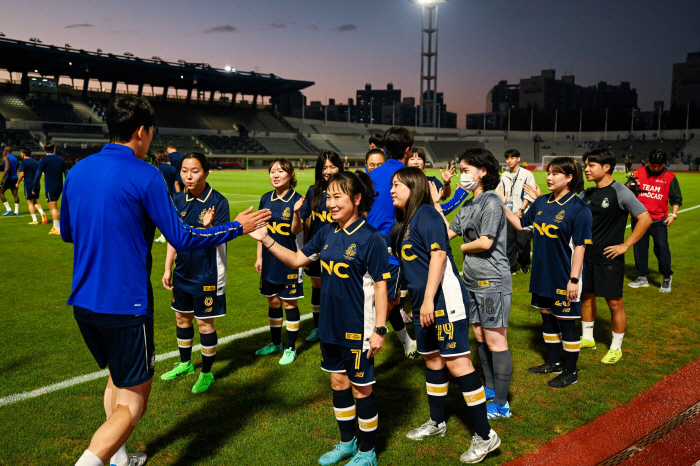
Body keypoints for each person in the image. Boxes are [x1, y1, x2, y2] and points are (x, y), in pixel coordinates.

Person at [61, 95, 270, 466]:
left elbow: (67, 232)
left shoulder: (77, 170)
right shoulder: (145, 174)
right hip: (125, 304)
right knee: (134, 401)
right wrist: (237, 226)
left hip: (83, 300)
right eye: (151, 132)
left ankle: (121, 459)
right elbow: (184, 237)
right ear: (142, 131)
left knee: (116, 379)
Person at [250, 171, 388, 466]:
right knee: (338, 383)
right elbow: (298, 260)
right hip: (329, 325)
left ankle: (368, 451)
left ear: (357, 198)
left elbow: (380, 286)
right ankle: (346, 443)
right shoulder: (327, 233)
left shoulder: (371, 238)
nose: (331, 203)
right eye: (328, 197)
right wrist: (268, 240)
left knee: (361, 388)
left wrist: (379, 329)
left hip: (358, 329)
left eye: (338, 196)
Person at [390, 167, 500, 463]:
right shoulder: (403, 224)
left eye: (398, 185)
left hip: (443, 300)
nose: (392, 190)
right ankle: (437, 423)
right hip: (423, 303)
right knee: (433, 359)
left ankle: (486, 436)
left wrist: (427, 300)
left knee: (458, 363)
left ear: (414, 187)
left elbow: (439, 255)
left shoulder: (426, 215)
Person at [504, 157, 592, 388]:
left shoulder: (579, 209)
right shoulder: (542, 202)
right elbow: (521, 224)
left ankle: (571, 372)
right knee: (547, 316)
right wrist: (501, 204)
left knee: (566, 322)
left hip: (565, 275)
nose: (549, 176)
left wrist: (573, 279)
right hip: (542, 274)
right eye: (549, 172)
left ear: (570, 178)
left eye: (555, 173)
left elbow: (580, 247)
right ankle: (554, 363)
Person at [438, 149, 513, 419]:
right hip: (471, 281)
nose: (462, 175)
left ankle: (502, 404)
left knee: (496, 340)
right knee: (480, 336)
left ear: (483, 171)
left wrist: (464, 249)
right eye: (461, 170)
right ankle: (491, 388)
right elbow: (447, 233)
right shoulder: (470, 204)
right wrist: (434, 206)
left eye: (467, 170)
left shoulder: (491, 201)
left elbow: (485, 242)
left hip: (492, 280)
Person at [161, 152, 230, 393]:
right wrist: (167, 267)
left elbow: (220, 239)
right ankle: (185, 363)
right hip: (182, 271)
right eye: (184, 171)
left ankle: (207, 373)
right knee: (182, 318)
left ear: (206, 172)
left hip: (207, 273)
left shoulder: (218, 202)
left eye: (195, 171)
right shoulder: (177, 200)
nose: (189, 176)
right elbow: (173, 238)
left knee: (204, 323)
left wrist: (208, 227)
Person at [579, 148, 651, 364]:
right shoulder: (587, 193)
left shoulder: (620, 191)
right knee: (587, 297)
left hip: (610, 259)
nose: (586, 170)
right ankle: (588, 338)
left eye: (591, 166)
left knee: (614, 303)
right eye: (585, 166)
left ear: (606, 167)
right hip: (586, 256)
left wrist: (625, 245)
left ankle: (616, 348)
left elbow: (645, 218)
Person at [366, 126, 417, 359]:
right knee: (388, 301)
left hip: (365, 245)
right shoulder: (407, 177)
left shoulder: (371, 175)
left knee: (382, 299)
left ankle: (407, 343)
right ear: (407, 150)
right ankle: (366, 343)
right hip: (391, 250)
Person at [254, 159, 305, 365]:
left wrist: (296, 212)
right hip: (269, 259)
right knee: (273, 301)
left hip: (290, 259)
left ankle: (291, 348)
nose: (275, 175)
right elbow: (260, 229)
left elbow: (296, 231)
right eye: (272, 171)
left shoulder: (298, 199)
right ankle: (276, 343)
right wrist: (259, 256)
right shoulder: (266, 198)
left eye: (281, 171)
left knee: (289, 303)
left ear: (291, 175)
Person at [299, 150, 344, 342]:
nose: (328, 171)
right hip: (316, 249)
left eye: (332, 166)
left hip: (338, 248)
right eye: (324, 167)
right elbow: (307, 221)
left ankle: (337, 327)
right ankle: (318, 327)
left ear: (340, 167)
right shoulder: (313, 191)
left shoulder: (345, 190)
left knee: (337, 288)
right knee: (317, 287)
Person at [628, 149, 682, 293]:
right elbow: (627, 191)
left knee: (662, 249)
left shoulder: (670, 177)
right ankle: (642, 277)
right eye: (653, 165)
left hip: (659, 220)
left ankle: (666, 277)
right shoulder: (638, 172)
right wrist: (632, 184)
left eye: (659, 165)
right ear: (649, 162)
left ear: (664, 164)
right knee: (639, 249)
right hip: (639, 219)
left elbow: (676, 198)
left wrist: (673, 215)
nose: (656, 168)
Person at [498, 149, 536, 275]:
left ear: (518, 159)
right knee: (509, 241)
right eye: (507, 158)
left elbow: (529, 194)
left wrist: (521, 210)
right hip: (508, 213)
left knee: (523, 242)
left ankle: (524, 263)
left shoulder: (527, 174)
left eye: (512, 158)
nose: (509, 160)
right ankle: (511, 266)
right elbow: (500, 193)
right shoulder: (503, 176)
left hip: (523, 214)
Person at [32, 143, 66, 234]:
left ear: (44, 149)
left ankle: (58, 229)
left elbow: (38, 174)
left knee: (53, 208)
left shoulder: (43, 160)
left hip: (50, 186)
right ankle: (55, 226)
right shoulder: (61, 159)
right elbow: (66, 174)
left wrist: (34, 187)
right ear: (54, 148)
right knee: (51, 207)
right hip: (59, 186)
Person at [154, 150, 180, 243]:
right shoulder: (172, 168)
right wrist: (180, 195)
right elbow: (176, 182)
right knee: (169, 216)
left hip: (159, 195)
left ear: (157, 158)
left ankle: (164, 236)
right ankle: (167, 235)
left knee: (160, 217)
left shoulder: (155, 168)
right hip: (170, 195)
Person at [16, 148, 47, 225]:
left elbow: (22, 174)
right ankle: (42, 213)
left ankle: (35, 220)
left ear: (23, 154)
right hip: (36, 184)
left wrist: (18, 182)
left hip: (28, 184)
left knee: (30, 202)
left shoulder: (23, 162)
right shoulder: (35, 162)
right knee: (35, 201)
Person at [0, 146, 20, 216]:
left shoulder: (6, 157)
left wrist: (3, 177)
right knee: (15, 194)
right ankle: (16, 211)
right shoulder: (14, 158)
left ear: (5, 151)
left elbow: (7, 167)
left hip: (9, 177)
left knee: (0, 192)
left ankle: (8, 209)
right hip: (15, 177)